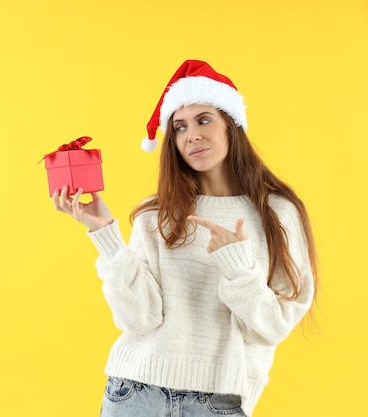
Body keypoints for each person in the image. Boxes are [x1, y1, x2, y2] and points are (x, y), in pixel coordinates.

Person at [52, 60, 317, 417]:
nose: (191, 134)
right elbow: (140, 319)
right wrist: (104, 232)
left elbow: (273, 326)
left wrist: (238, 268)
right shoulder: (155, 213)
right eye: (179, 127)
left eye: (203, 120)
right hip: (135, 392)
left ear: (231, 126)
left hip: (218, 402)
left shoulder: (277, 214)